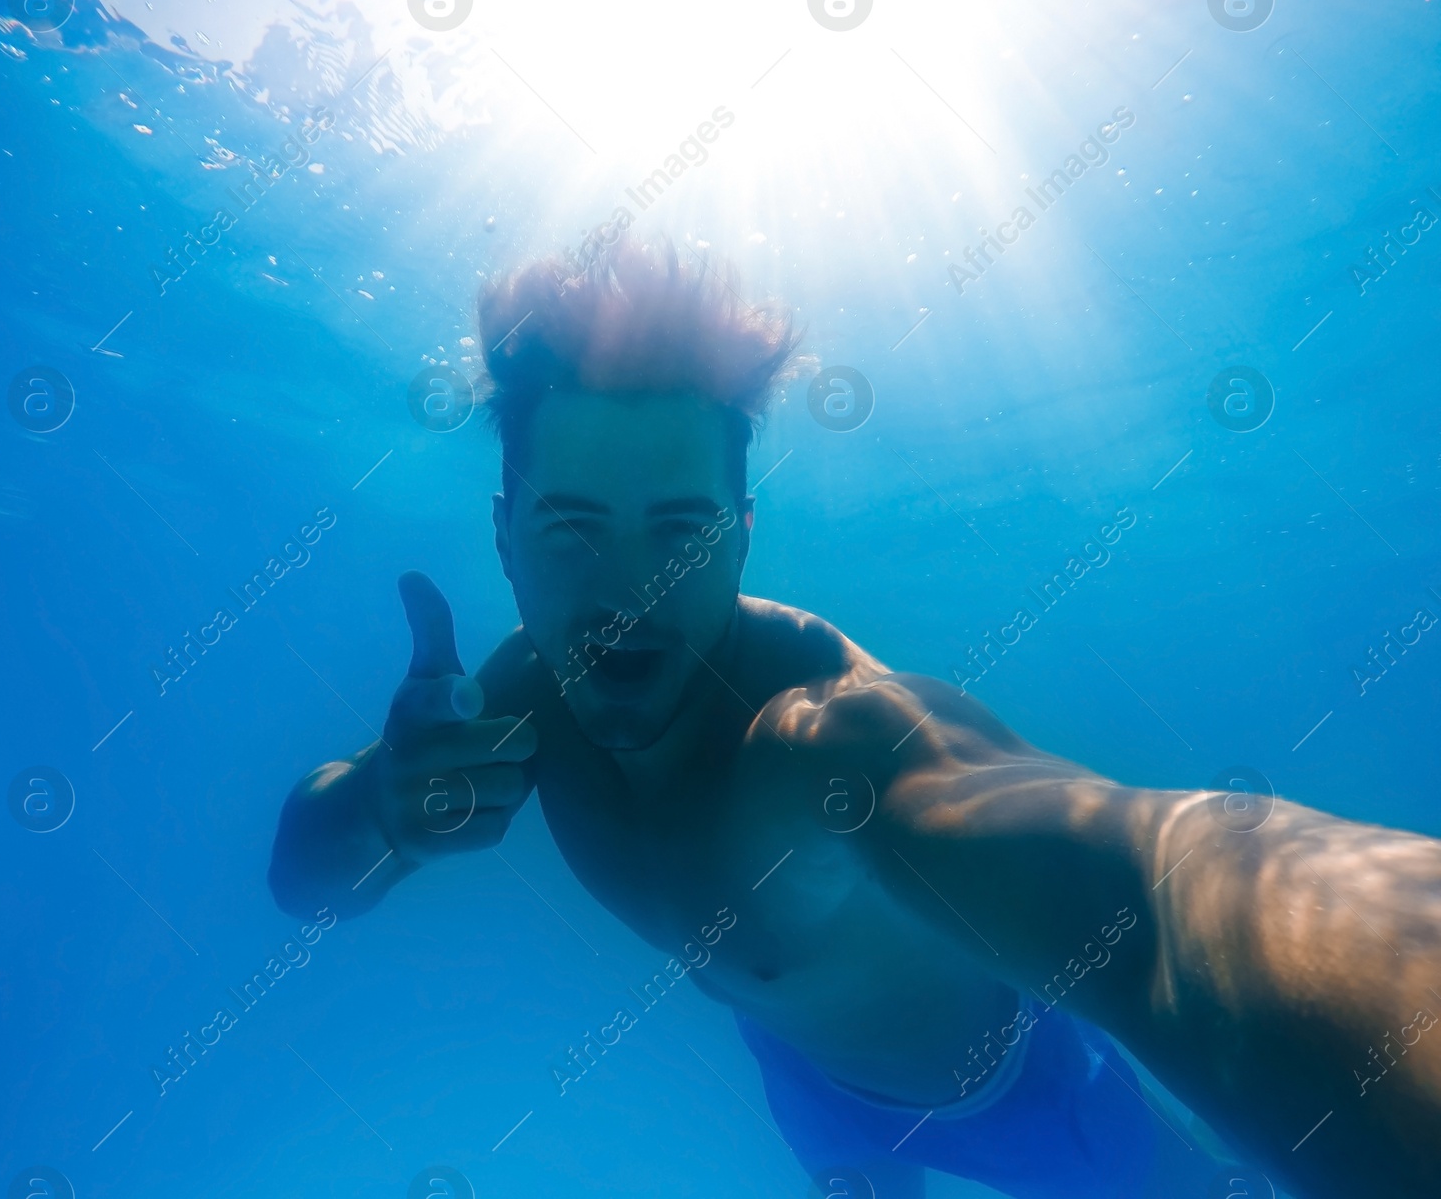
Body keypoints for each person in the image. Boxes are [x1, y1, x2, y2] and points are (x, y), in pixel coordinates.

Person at [268, 237, 1441, 1199]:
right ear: (502, 533)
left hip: (1029, 1102)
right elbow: (305, 886)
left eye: (679, 530)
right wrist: (380, 806)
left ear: (742, 533)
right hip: (801, 1076)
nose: (628, 594)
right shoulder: (512, 702)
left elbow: (1158, 892)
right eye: (572, 526)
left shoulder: (827, 740)